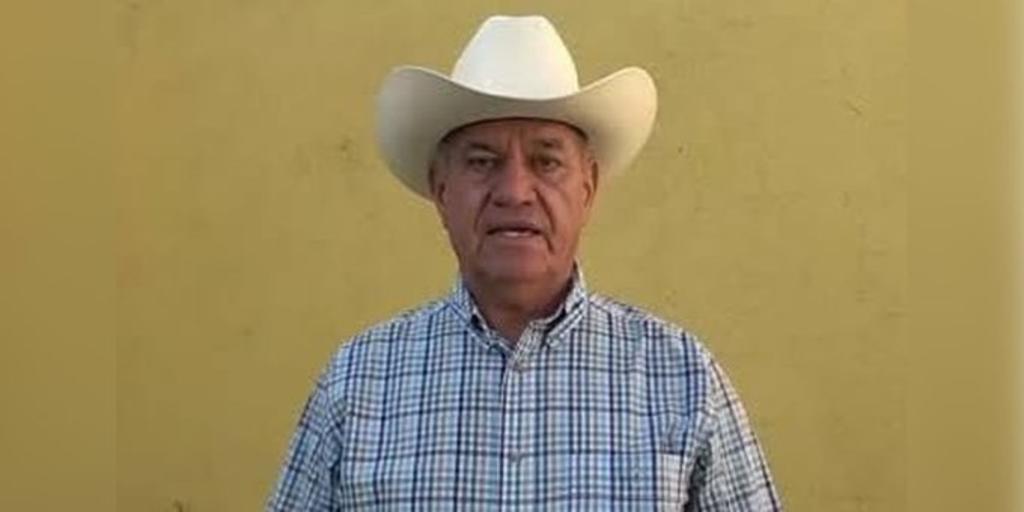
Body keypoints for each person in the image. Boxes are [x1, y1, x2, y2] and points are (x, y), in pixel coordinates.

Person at [268, 15, 782, 511]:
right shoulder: (356, 384)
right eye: (482, 162)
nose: (514, 191)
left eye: (546, 161)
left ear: (588, 188)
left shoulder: (683, 379)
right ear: (442, 190)